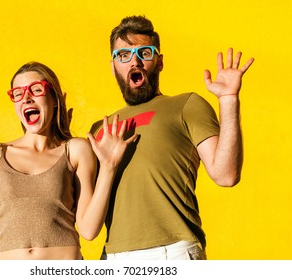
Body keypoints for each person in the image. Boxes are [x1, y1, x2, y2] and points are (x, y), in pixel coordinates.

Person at [89, 15, 254, 260]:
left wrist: (229, 100)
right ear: (113, 65)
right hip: (113, 256)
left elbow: (226, 174)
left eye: (144, 53)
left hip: (173, 252)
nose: (135, 61)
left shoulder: (186, 105)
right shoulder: (99, 130)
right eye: (123, 55)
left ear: (160, 62)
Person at [0, 61, 137, 260]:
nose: (26, 98)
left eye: (36, 89)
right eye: (18, 93)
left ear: (55, 99)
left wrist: (109, 168)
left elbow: (89, 230)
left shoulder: (75, 150)